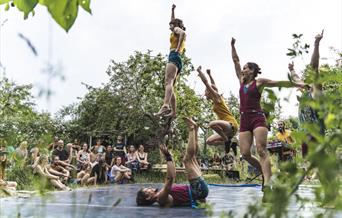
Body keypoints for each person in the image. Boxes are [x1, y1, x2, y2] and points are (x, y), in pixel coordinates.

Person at [230, 37, 306, 188]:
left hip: (257, 118)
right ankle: (266, 174)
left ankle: (268, 185)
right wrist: (232, 45)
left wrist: (298, 84)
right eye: (243, 68)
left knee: (261, 150)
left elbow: (278, 83)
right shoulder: (241, 81)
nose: (243, 70)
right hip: (244, 119)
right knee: (245, 153)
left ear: (252, 71)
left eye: (246, 68)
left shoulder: (259, 82)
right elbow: (235, 61)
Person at [136, 117, 208, 207]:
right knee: (187, 160)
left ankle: (195, 129)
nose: (150, 187)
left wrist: (170, 158)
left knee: (192, 157)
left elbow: (172, 175)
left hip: (197, 191)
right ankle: (191, 129)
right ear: (148, 198)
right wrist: (168, 157)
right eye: (147, 190)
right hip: (198, 190)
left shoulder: (161, 195)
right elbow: (170, 179)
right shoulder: (161, 198)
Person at [288, 31, 325, 157]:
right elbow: (296, 79)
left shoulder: (316, 91)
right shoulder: (305, 89)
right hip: (305, 133)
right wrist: (292, 69)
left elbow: (314, 67)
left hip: (316, 133)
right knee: (308, 162)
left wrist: (316, 44)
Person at [196, 66, 239, 152]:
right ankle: (231, 143)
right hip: (227, 130)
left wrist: (200, 72)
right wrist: (210, 74)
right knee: (209, 141)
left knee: (212, 124)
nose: (204, 94)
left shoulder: (217, 98)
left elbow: (206, 83)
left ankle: (226, 140)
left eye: (205, 92)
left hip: (231, 124)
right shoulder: (215, 99)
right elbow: (214, 85)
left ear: (209, 91)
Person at [155, 4, 186, 118]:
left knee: (168, 82)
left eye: (171, 24)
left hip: (174, 55)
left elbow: (183, 33)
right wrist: (172, 10)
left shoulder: (177, 30)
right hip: (177, 59)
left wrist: (177, 49)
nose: (169, 26)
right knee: (170, 84)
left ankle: (165, 105)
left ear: (175, 25)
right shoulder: (175, 29)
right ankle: (173, 112)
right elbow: (172, 21)